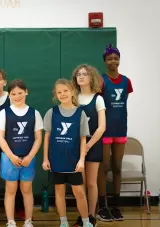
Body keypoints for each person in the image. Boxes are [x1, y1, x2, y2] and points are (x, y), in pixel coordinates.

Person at [42, 78, 93, 227]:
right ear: (55, 94)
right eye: (59, 92)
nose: (62, 94)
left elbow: (83, 139)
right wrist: (45, 159)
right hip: (56, 160)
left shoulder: (80, 113)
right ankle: (63, 222)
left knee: (79, 192)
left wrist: (82, 160)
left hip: (74, 161)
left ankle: (86, 222)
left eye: (65, 91)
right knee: (59, 190)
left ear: (72, 92)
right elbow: (47, 137)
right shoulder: (52, 112)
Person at [0, 79, 43, 227]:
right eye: (13, 94)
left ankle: (28, 220)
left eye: (20, 93)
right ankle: (10, 221)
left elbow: (38, 139)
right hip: (9, 158)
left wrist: (30, 156)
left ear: (26, 92)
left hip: (28, 158)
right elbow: (0, 137)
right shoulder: (4, 113)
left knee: (27, 190)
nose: (17, 96)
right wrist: (11, 156)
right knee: (10, 190)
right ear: (9, 95)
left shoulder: (34, 113)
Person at [97, 44, 133, 222]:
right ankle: (102, 206)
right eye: (109, 58)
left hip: (120, 130)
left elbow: (123, 105)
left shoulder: (127, 81)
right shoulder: (102, 81)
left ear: (119, 60)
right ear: (105, 61)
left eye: (116, 58)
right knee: (104, 168)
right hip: (105, 131)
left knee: (117, 167)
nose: (113, 61)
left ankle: (116, 205)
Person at [0, 69, 25, 222]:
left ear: (4, 83)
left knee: (16, 178)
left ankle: (19, 207)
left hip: (12, 144)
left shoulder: (12, 98)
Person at [71, 64, 106, 226]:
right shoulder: (73, 98)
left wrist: (88, 145)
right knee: (80, 184)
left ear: (91, 77)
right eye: (78, 74)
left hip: (93, 146)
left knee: (91, 183)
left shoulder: (98, 99)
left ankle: (91, 215)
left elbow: (102, 127)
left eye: (84, 74)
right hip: (76, 147)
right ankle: (83, 216)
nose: (81, 76)